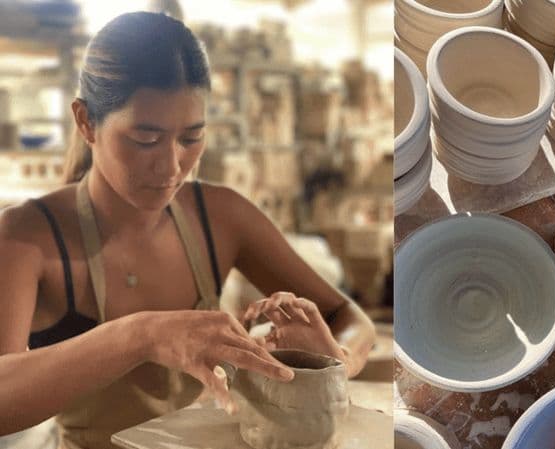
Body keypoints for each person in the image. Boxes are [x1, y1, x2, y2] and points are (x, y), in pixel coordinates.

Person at [0, 11, 375, 449]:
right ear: (86, 122)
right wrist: (142, 335)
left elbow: (351, 319)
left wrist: (332, 359)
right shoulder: (27, 236)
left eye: (191, 137)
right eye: (145, 139)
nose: (172, 165)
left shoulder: (219, 215)